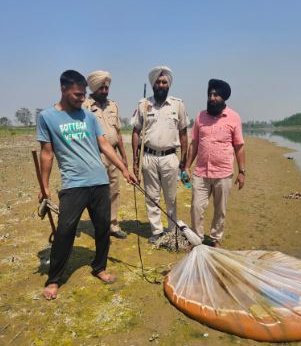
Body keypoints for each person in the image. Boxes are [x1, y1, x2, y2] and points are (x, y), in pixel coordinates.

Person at [36, 70, 137, 300]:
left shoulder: (89, 117)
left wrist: (123, 168)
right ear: (63, 89)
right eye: (77, 94)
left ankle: (99, 267)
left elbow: (104, 144)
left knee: (102, 228)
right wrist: (44, 186)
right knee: (65, 231)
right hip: (73, 184)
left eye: (83, 95)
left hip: (100, 180)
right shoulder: (47, 117)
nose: (82, 99)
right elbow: (46, 154)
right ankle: (54, 279)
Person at [184, 79, 245, 248]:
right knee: (196, 207)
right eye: (210, 94)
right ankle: (196, 239)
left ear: (224, 98)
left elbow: (239, 146)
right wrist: (187, 167)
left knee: (220, 210)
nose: (211, 97)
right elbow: (194, 144)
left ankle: (215, 238)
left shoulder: (233, 118)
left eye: (216, 95)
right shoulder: (200, 117)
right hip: (201, 172)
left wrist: (242, 172)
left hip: (223, 173)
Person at [131, 65, 189, 243]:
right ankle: (156, 231)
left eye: (164, 82)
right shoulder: (143, 105)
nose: (161, 85)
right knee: (152, 197)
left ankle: (172, 231)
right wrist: (134, 160)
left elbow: (184, 134)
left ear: (168, 85)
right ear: (153, 85)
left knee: (171, 197)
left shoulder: (177, 104)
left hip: (170, 158)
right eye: (158, 82)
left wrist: (184, 161)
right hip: (148, 158)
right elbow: (135, 132)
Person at [83, 70, 128, 239]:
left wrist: (123, 157)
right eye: (101, 88)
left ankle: (113, 225)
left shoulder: (113, 106)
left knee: (114, 191)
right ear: (93, 88)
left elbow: (118, 133)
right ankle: (100, 227)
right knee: (99, 194)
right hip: (96, 156)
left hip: (113, 155)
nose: (104, 91)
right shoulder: (85, 107)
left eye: (106, 87)